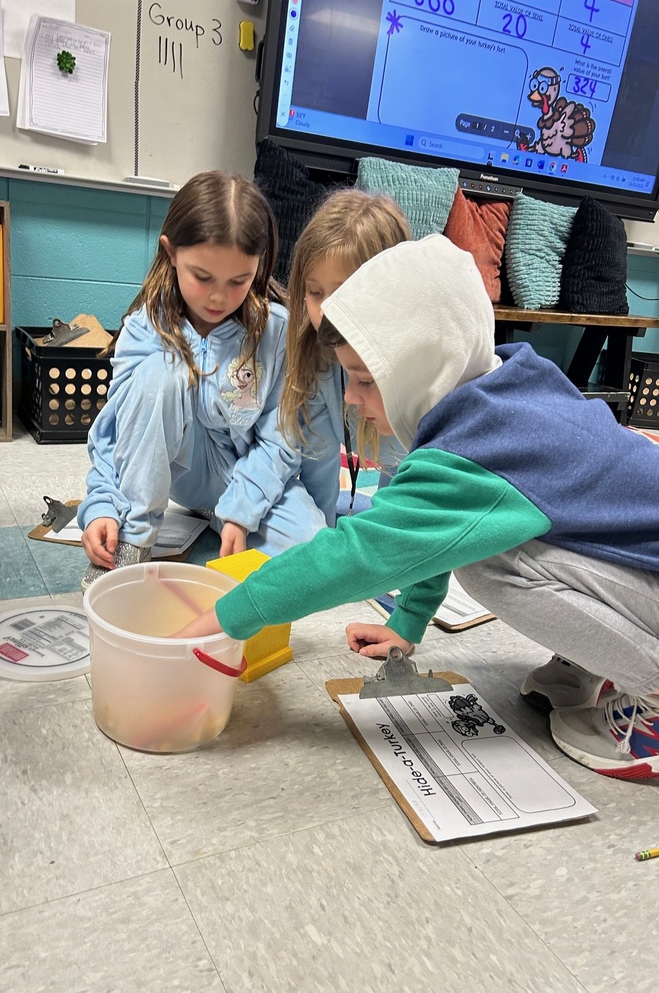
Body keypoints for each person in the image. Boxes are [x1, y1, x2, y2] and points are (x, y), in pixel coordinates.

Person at [176, 234, 659, 781]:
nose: (353, 398)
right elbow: (435, 532)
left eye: (363, 379)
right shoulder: (505, 383)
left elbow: (368, 552)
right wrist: (407, 623)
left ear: (422, 369)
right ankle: (595, 665)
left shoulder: (483, 450)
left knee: (493, 568)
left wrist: (229, 616)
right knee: (498, 542)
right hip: (641, 573)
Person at [78, 170, 326, 589]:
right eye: (203, 277)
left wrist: (239, 511)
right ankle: (136, 537)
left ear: (259, 266)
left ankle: (216, 518)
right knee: (159, 375)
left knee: (317, 553)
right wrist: (103, 506)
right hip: (171, 477)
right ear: (170, 253)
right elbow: (114, 435)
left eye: (239, 281)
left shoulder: (276, 331)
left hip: (241, 480)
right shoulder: (144, 327)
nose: (218, 298)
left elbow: (282, 441)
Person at [280, 189, 411, 524]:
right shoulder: (314, 355)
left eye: (341, 293)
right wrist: (320, 541)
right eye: (315, 292)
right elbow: (317, 469)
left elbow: (404, 488)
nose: (325, 312)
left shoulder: (412, 371)